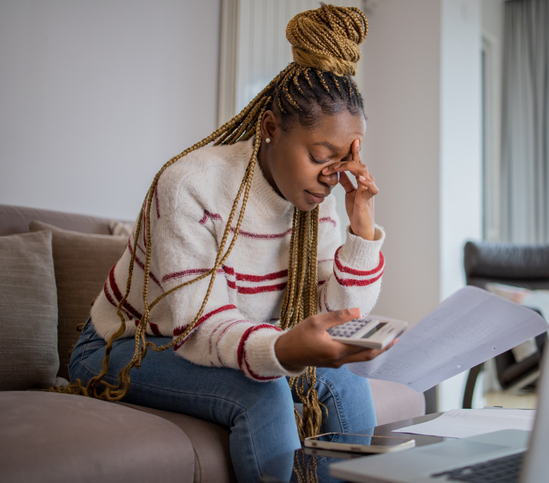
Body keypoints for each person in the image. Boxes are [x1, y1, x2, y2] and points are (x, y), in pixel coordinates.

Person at [66, 5, 391, 481]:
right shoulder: (190, 187)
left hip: (212, 339)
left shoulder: (315, 199)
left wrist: (362, 229)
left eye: (343, 160)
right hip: (124, 346)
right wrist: (284, 351)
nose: (332, 175)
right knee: (263, 392)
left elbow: (338, 309)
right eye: (322, 156)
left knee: (349, 386)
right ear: (270, 128)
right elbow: (200, 329)